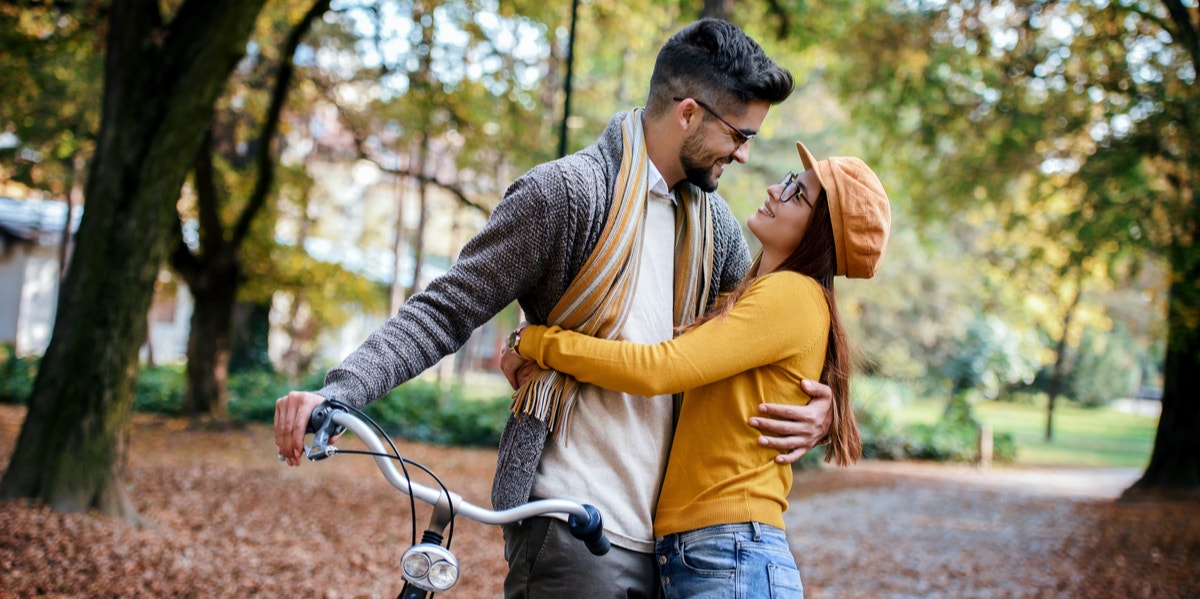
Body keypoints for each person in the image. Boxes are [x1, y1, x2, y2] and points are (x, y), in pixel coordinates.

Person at [274, 19, 835, 598]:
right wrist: (338, 393)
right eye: (740, 135)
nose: (744, 155)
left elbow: (752, 344)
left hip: (678, 548)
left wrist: (824, 414)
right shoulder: (565, 195)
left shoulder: (713, 228)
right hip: (572, 517)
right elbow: (447, 308)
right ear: (688, 114)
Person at [508, 141, 892, 598]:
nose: (776, 189)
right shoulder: (759, 292)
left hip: (731, 552)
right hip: (709, 550)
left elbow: (659, 369)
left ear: (819, 235)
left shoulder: (791, 295)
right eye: (790, 180)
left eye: (797, 194)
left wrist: (534, 341)